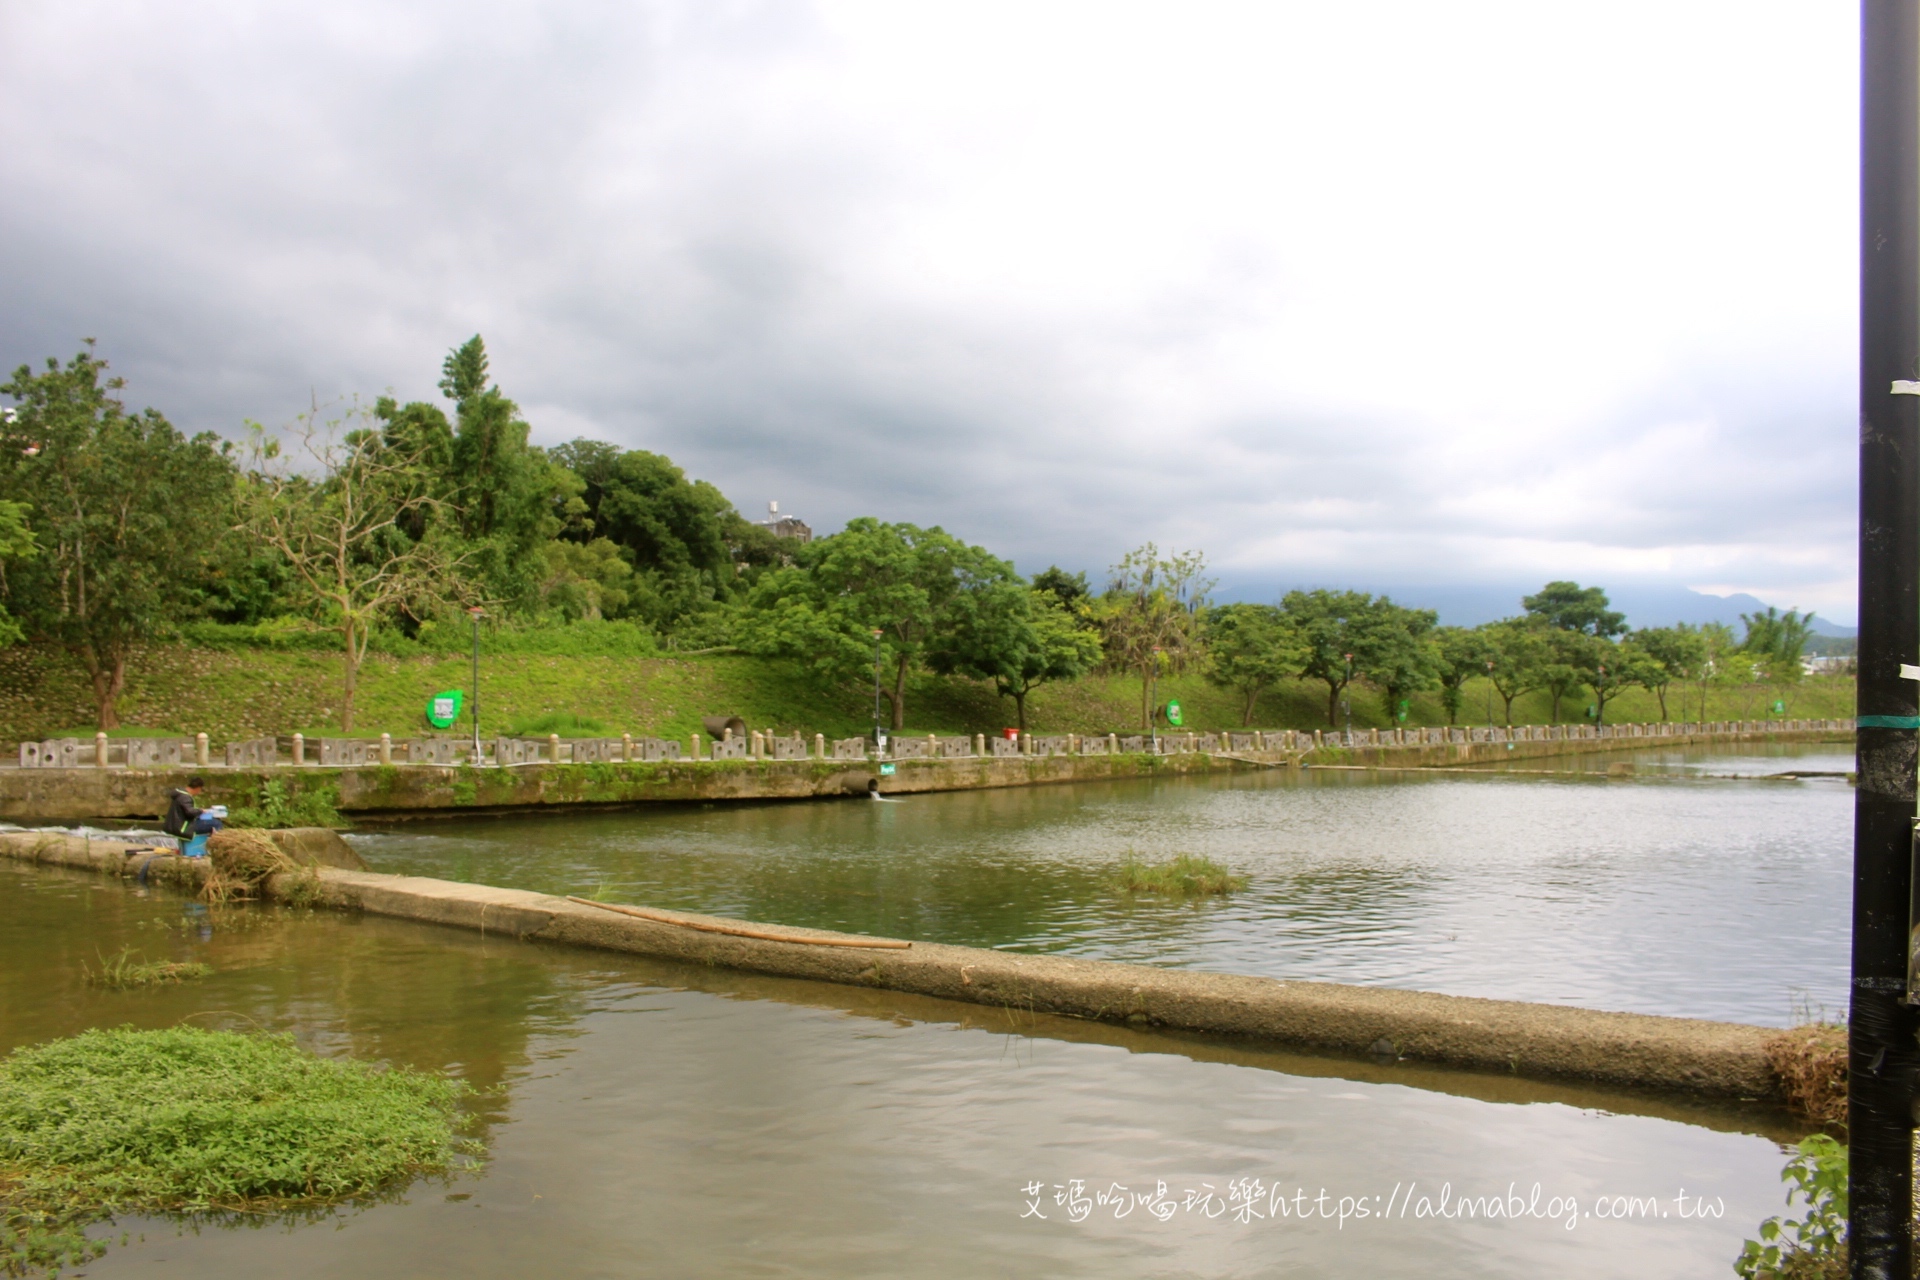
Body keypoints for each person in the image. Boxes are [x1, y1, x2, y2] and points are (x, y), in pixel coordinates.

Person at [162, 777, 206, 853]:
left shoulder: (180, 794)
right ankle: (206, 849)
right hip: (182, 827)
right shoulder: (185, 797)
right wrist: (201, 811)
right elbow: (190, 812)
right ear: (198, 788)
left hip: (176, 825)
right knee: (215, 823)